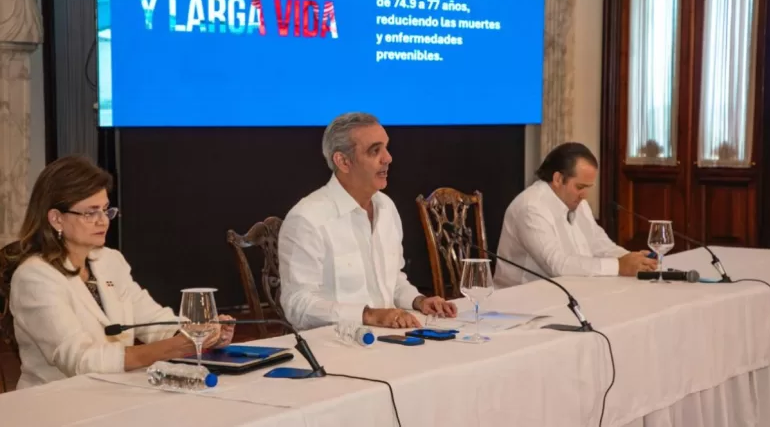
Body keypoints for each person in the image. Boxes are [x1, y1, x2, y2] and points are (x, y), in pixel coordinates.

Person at [0, 155, 235, 389]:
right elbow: (80, 361)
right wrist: (178, 346)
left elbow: (154, 322)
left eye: (105, 210)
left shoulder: (109, 260)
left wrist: (201, 333)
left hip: (119, 392)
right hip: (58, 405)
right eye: (90, 213)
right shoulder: (34, 277)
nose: (103, 221)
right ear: (56, 219)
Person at [279, 112, 457, 331]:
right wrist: (368, 315)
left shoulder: (386, 207)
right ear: (343, 161)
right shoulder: (307, 219)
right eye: (375, 150)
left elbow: (394, 281)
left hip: (390, 340)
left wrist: (418, 301)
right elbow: (298, 305)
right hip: (334, 348)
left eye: (386, 147)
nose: (388, 158)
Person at [493, 142, 657, 288]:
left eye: (588, 187)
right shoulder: (530, 208)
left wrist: (632, 259)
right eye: (580, 187)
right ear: (558, 179)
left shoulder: (579, 203)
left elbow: (600, 244)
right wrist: (619, 266)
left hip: (569, 292)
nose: (584, 195)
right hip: (523, 302)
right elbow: (556, 265)